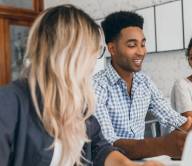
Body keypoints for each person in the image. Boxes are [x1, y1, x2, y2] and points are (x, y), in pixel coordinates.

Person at [0, 5, 161, 166]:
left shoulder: (77, 105)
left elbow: (100, 149)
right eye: (92, 52)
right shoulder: (9, 103)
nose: (92, 63)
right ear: (67, 54)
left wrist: (129, 165)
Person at [94, 11, 192, 159]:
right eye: (132, 45)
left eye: (143, 44)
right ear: (112, 49)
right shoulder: (97, 86)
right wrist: (163, 145)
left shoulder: (144, 82)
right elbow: (108, 144)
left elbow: (177, 120)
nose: (141, 52)